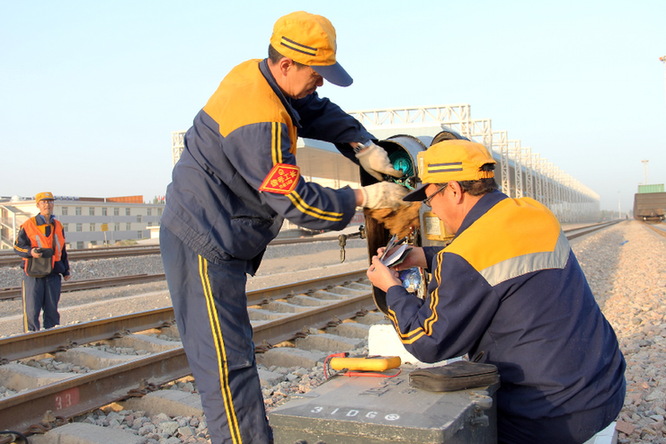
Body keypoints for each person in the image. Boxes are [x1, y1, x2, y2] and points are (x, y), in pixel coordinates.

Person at [159, 11, 408, 444]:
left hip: (221, 231)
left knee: (233, 356)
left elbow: (315, 109)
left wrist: (361, 144)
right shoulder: (259, 120)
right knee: (227, 364)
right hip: (203, 240)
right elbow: (297, 202)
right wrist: (364, 197)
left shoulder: (263, 78)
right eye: (318, 72)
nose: (322, 82)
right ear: (287, 64)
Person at [366, 139, 626, 444]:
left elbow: (427, 343)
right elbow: (492, 262)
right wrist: (423, 256)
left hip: (547, 418)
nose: (431, 207)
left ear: (453, 190)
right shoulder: (534, 213)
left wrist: (392, 288)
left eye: (430, 197)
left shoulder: (465, 256)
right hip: (604, 391)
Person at [14, 191, 71, 332]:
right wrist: (30, 252)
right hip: (34, 273)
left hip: (53, 273)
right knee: (32, 310)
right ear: (38, 205)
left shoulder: (58, 225)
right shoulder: (28, 225)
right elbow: (17, 247)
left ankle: (51, 339)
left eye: (50, 201)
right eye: (44, 202)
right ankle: (31, 339)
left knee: (52, 310)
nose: (47, 205)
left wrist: (66, 271)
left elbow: (62, 250)